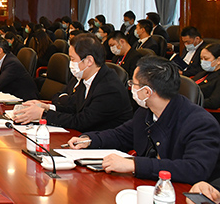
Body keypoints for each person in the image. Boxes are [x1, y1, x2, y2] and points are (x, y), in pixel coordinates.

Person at [67, 56, 220, 184]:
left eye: (133, 84)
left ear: (147, 92)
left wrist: (134, 165)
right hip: (147, 186)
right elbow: (121, 135)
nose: (131, 88)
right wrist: (90, 140)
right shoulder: (145, 111)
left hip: (179, 196)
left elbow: (195, 169)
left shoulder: (200, 123)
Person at [14, 34, 132, 131]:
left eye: (73, 59)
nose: (71, 64)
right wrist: (47, 107)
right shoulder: (87, 78)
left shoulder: (109, 87)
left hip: (104, 144)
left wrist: (43, 115)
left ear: (89, 61)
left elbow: (82, 121)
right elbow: (74, 108)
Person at [194, 43, 220, 110]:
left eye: (206, 59)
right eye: (201, 58)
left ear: (218, 60)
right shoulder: (203, 73)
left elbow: (214, 102)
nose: (203, 62)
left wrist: (191, 101)